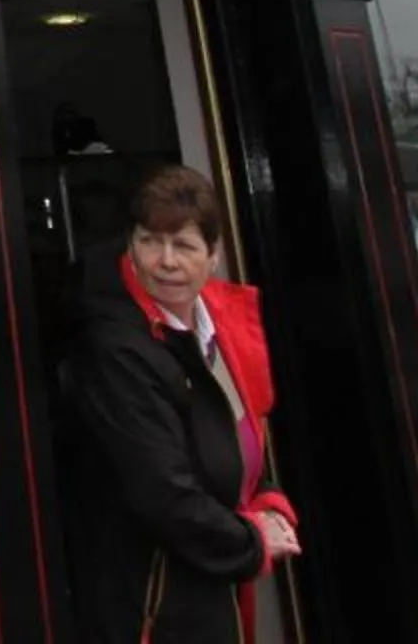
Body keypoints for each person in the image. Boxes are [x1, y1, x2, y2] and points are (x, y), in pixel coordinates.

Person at [62, 162, 300, 644]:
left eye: (184, 245)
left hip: (211, 593)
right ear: (130, 246)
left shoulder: (221, 330)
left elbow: (241, 438)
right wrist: (253, 541)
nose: (166, 261)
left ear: (214, 254)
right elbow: (161, 492)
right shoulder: (116, 350)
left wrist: (270, 503)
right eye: (150, 241)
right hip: (153, 605)